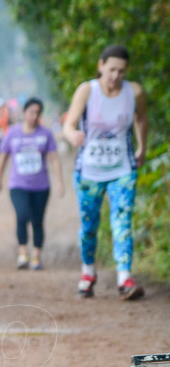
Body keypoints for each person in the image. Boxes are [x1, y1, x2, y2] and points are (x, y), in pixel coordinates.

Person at [63, 44, 148, 300]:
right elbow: (68, 124)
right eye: (111, 70)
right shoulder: (87, 90)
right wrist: (72, 135)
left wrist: (141, 146)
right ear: (101, 66)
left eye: (121, 71)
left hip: (122, 168)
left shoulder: (134, 92)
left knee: (122, 221)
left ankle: (124, 278)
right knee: (89, 225)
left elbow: (141, 118)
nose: (116, 76)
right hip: (89, 170)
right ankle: (88, 273)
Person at [0, 97, 65, 270]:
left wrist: (60, 182)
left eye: (37, 113)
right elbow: (3, 158)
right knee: (22, 215)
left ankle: (36, 257)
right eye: (31, 112)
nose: (34, 116)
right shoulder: (12, 133)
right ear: (24, 113)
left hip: (41, 186)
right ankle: (22, 254)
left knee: (38, 220)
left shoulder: (45, 134)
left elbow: (54, 158)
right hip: (18, 185)